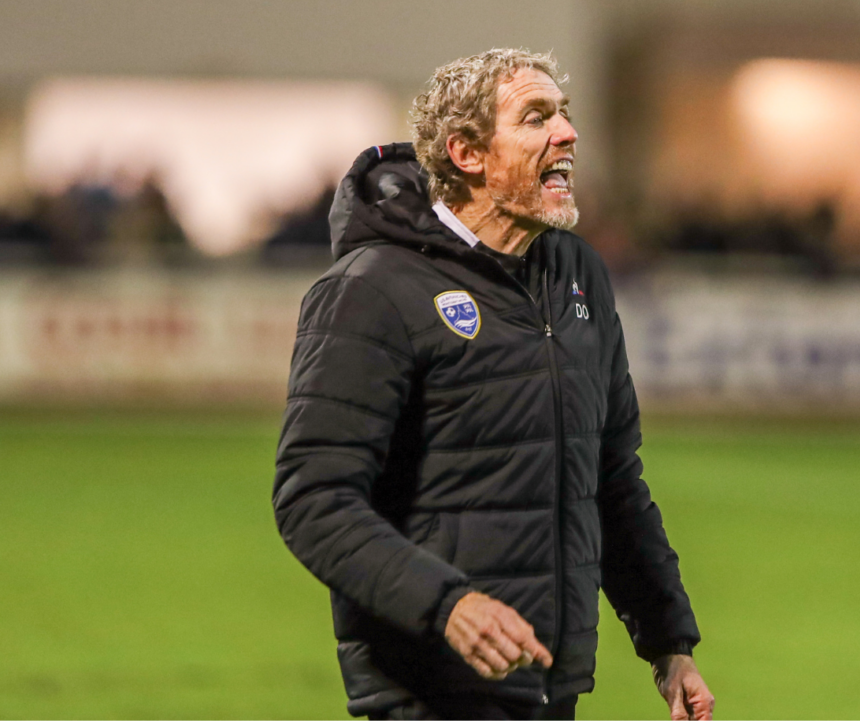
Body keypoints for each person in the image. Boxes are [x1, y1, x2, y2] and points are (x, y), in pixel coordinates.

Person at [273, 48, 714, 721]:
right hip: (429, 690)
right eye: (535, 117)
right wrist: (445, 603)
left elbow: (613, 478)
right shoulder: (372, 289)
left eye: (564, 114)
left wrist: (667, 641)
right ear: (467, 153)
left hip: (548, 685)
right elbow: (314, 497)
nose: (566, 133)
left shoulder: (578, 275)